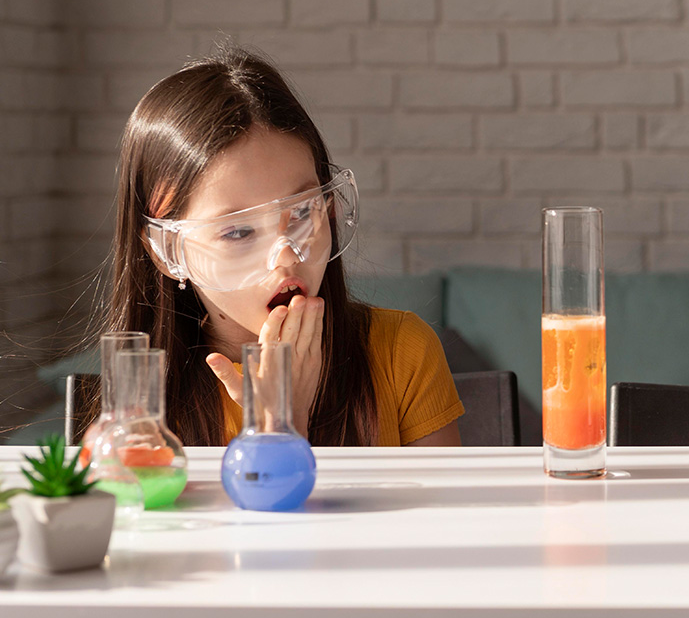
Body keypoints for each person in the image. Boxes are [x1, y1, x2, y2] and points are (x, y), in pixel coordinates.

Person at [80, 46, 463, 447]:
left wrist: (286, 419)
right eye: (238, 232)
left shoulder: (401, 352)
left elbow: (448, 511)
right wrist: (283, 424)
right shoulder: (137, 414)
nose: (285, 256)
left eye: (300, 213)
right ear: (165, 251)